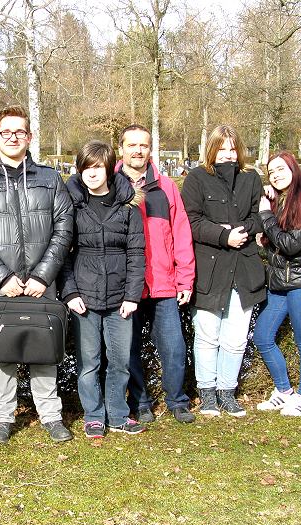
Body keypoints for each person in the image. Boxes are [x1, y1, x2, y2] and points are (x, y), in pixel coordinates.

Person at [0, 105, 74, 444]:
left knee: (44, 347)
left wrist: (43, 275)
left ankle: (50, 415)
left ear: (29, 136)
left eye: (20, 132)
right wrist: (2, 277)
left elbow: (63, 228)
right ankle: (2, 417)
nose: (13, 137)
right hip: (0, 284)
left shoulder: (50, 178)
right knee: (2, 352)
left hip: (43, 282)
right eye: (6, 132)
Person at [58, 141, 146, 438]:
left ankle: (119, 414)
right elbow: (63, 252)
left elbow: (136, 252)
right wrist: (70, 293)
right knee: (89, 363)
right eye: (86, 168)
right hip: (84, 297)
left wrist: (133, 295)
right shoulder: (72, 204)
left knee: (120, 362)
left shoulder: (128, 205)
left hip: (120, 298)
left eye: (97, 167)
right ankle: (93, 415)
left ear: (109, 168)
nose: (91, 173)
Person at [181, 125, 266, 417]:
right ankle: (207, 393)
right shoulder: (196, 178)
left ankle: (227, 392)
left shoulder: (250, 178)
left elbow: (258, 216)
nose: (228, 154)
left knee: (236, 338)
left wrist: (244, 230)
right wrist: (222, 235)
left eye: (232, 148)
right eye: (222, 148)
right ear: (212, 149)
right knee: (207, 335)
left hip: (244, 268)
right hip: (210, 269)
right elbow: (190, 222)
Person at [118, 125, 196, 424]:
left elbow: (181, 233)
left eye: (144, 145)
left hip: (163, 282)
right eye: (132, 145)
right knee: (130, 348)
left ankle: (177, 401)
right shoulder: (112, 185)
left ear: (150, 149)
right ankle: (140, 402)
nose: (138, 150)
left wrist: (185, 279)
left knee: (174, 347)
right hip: (128, 286)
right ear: (122, 147)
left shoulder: (166, 187)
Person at [253, 151, 301, 416]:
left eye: (280, 169)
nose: (275, 175)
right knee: (262, 336)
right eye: (271, 171)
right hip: (279, 284)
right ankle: (284, 391)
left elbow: (290, 244)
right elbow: (272, 247)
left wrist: (266, 216)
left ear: (293, 168)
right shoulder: (281, 200)